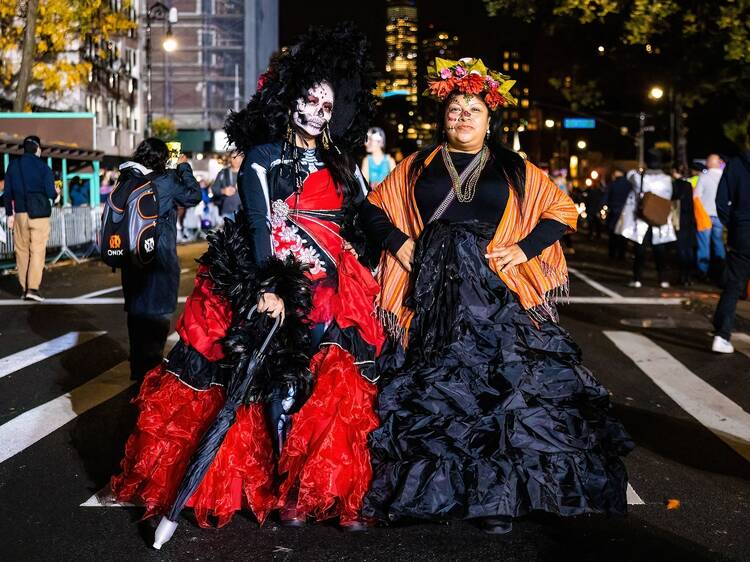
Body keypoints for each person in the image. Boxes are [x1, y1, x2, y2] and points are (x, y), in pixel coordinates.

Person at [110, 24, 382, 532]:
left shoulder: (344, 163)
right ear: (290, 101)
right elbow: (258, 223)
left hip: (332, 286)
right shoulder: (261, 159)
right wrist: (271, 288)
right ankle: (280, 487)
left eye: (326, 106)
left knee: (330, 381)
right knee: (275, 375)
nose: (315, 114)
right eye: (308, 101)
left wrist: (392, 247)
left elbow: (364, 219)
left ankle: (316, 488)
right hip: (270, 277)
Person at [359, 57, 632, 534]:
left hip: (497, 296)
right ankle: (433, 494)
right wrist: (399, 243)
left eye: (473, 110)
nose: (463, 117)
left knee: (501, 397)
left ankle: (497, 501)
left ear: (490, 118)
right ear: (443, 116)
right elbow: (374, 210)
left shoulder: (515, 168)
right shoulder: (416, 166)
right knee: (440, 397)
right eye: (455, 109)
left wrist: (524, 249)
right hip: (433, 297)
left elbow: (561, 210)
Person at [117, 138, 202, 382]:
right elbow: (193, 196)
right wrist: (183, 168)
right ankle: (150, 370)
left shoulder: (127, 178)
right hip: (160, 255)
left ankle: (137, 367)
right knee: (158, 312)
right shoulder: (166, 181)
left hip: (131, 257)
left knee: (136, 312)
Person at [3, 135, 59, 301]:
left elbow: (7, 193)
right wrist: (57, 194)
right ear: (37, 149)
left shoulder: (13, 166)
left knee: (21, 252)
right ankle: (32, 289)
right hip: (39, 214)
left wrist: (8, 214)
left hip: (20, 213)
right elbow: (50, 193)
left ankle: (23, 288)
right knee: (37, 251)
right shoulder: (43, 167)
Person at [712, 131, 750, 353]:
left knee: (734, 285)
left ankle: (722, 334)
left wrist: (732, 224)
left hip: (742, 231)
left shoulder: (735, 165)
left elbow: (721, 201)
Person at [617, 148, 677, 288]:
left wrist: (639, 169)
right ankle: (663, 279)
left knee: (640, 249)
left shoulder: (639, 177)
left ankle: (637, 278)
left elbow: (629, 174)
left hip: (643, 217)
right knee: (660, 249)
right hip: (660, 217)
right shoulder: (667, 179)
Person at [694, 154, 726, 278]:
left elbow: (696, 196)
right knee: (718, 243)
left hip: (705, 215)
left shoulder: (704, 177)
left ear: (708, 163)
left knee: (703, 244)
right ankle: (721, 271)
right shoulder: (725, 177)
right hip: (720, 215)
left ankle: (703, 271)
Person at [672, 170, 697, 286]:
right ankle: (688, 276)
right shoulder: (688, 185)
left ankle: (682, 275)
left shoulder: (674, 185)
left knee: (681, 248)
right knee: (688, 249)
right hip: (689, 220)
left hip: (678, 219)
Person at [603, 167, 630, 260]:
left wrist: (604, 207)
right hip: (625, 212)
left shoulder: (612, 184)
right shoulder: (629, 184)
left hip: (614, 211)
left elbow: (605, 198)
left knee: (613, 234)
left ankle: (612, 254)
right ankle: (622, 254)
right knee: (623, 235)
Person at [211, 150, 244, 221]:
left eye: (238, 157)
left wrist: (243, 187)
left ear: (242, 158)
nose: (236, 160)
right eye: (233, 157)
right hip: (227, 210)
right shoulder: (223, 172)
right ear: (230, 159)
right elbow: (214, 189)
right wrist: (223, 191)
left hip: (244, 211)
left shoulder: (247, 173)